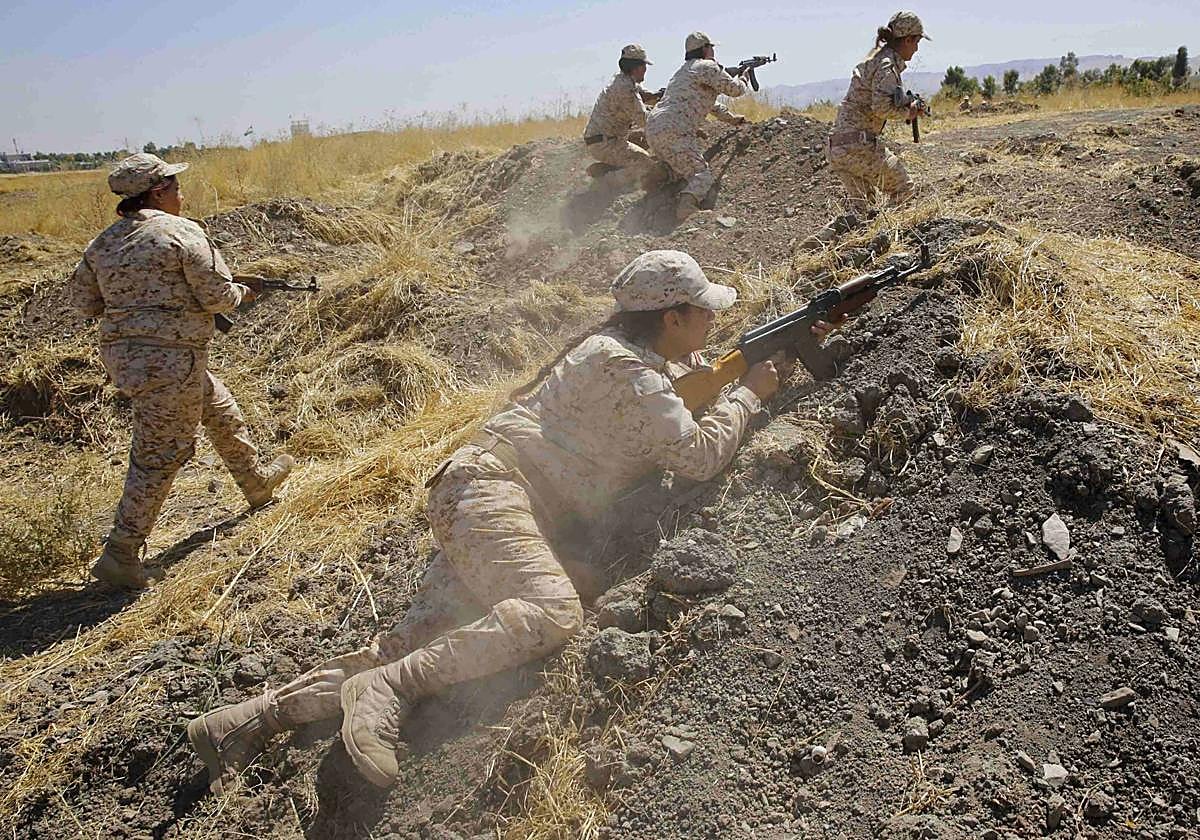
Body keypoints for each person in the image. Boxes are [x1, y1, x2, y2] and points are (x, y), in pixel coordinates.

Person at [187, 250, 841, 792]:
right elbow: (696, 456)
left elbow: (687, 383)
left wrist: (761, 360)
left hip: (477, 493)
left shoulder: (622, 353)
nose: (712, 320)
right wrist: (748, 397)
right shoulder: (628, 370)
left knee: (416, 637)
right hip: (493, 493)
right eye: (703, 311)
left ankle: (248, 722)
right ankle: (386, 691)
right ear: (671, 317)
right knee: (552, 611)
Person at [70, 153, 295, 590]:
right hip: (171, 359)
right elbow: (217, 298)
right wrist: (242, 294)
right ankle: (120, 554)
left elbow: (84, 304)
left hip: (129, 359)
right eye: (175, 186)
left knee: (218, 407)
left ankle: (256, 483)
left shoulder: (101, 244)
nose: (181, 193)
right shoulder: (181, 232)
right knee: (160, 453)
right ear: (157, 192)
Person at [826, 10, 930, 213]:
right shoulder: (886, 65)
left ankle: (830, 236)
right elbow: (881, 107)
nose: (917, 48)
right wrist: (908, 113)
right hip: (858, 146)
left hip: (839, 147)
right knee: (904, 189)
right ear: (907, 40)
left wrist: (906, 104)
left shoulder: (876, 59)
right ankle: (887, 230)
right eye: (917, 42)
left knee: (863, 213)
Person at [646, 32, 750, 222]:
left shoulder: (682, 72)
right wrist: (744, 78)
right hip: (675, 129)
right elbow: (735, 90)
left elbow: (709, 104)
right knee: (701, 175)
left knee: (681, 169)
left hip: (654, 127)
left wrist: (732, 119)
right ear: (705, 49)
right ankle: (687, 208)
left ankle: (655, 175)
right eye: (711, 47)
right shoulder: (707, 67)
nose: (713, 51)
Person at [583, 44, 659, 188]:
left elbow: (643, 95)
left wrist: (658, 95)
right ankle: (605, 183)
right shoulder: (625, 90)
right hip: (606, 144)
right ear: (636, 68)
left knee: (643, 157)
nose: (645, 69)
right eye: (644, 66)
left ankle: (608, 168)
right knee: (646, 167)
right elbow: (644, 121)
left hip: (605, 140)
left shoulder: (623, 80)